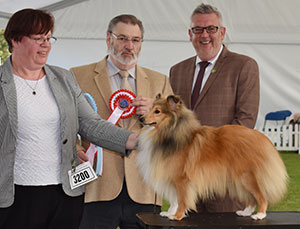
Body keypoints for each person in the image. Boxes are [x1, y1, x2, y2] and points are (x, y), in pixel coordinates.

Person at [0, 9, 138, 229]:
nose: (46, 44)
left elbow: (91, 124)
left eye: (49, 38)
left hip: (65, 194)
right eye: (38, 39)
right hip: (15, 195)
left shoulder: (64, 78)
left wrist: (136, 141)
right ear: (15, 40)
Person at [70, 14, 173, 229]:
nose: (129, 46)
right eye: (122, 38)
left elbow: (172, 135)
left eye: (135, 40)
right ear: (109, 39)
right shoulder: (78, 76)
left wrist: (154, 117)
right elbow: (67, 128)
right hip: (96, 186)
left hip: (145, 188)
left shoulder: (160, 81)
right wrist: (77, 151)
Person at [169, 3, 259, 212]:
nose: (205, 35)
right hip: (185, 179)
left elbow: (245, 121)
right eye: (198, 29)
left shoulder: (244, 66)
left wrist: (209, 161)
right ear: (190, 34)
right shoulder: (176, 71)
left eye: (211, 28)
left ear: (223, 32)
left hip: (223, 178)